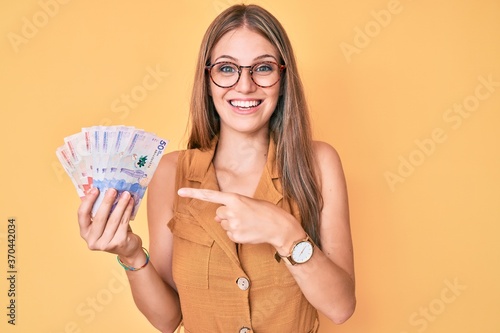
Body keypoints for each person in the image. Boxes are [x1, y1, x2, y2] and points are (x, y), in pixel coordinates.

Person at [77, 4, 356, 333]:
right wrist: (131, 254)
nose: (245, 85)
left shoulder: (319, 162)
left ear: (282, 77)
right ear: (207, 79)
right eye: (227, 69)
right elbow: (168, 319)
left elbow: (340, 307)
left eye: (262, 68)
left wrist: (284, 232)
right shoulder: (171, 171)